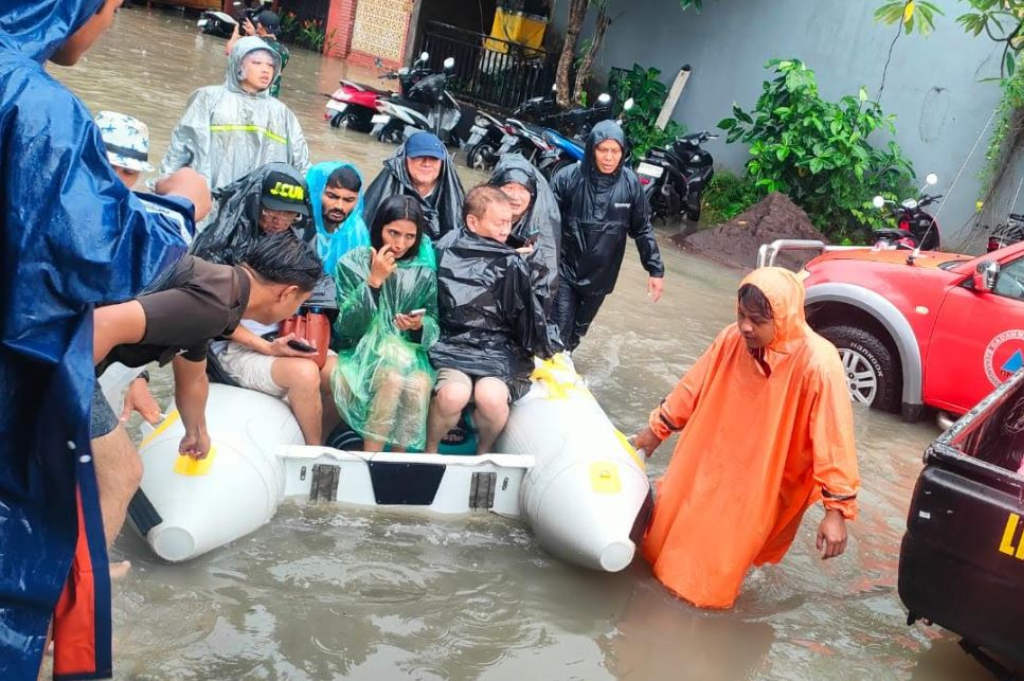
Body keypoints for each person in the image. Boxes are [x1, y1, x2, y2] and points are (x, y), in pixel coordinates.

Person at [0, 1, 211, 677]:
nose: (109, 23)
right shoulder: (36, 106)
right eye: (113, 6)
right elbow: (99, 255)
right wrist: (180, 209)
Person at [632, 267, 860, 610]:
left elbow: (834, 435)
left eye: (757, 320)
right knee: (661, 539)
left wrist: (837, 511)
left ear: (783, 319)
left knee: (708, 580)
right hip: (707, 456)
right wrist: (656, 429)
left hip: (760, 481)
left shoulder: (818, 362)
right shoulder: (731, 339)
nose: (746, 327)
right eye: (741, 316)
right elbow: (692, 387)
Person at [91, 234, 322, 562]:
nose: (295, 311)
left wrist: (196, 432)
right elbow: (102, 323)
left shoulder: (222, 295)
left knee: (98, 470)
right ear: (287, 292)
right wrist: (70, 395)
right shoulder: (213, 303)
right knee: (123, 473)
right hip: (67, 367)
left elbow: (193, 378)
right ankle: (86, 577)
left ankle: (80, 566)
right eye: (299, 303)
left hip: (76, 364)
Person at [193, 165, 337, 447]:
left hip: (283, 333)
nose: (279, 220)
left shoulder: (295, 239)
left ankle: (319, 433)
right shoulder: (220, 244)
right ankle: (313, 452)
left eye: (289, 213)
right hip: (234, 345)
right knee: (305, 374)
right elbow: (209, 316)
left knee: (341, 376)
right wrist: (268, 348)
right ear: (255, 200)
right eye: (271, 210)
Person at [426, 186, 558, 455]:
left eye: (509, 222)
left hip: (496, 348)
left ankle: (484, 452)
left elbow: (525, 316)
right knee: (453, 395)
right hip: (451, 344)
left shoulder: (512, 260)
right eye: (499, 223)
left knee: (493, 398)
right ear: (472, 221)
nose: (505, 230)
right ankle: (430, 449)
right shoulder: (444, 249)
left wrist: (544, 346)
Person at [332, 196, 438, 451]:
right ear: (379, 227)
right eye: (393, 233)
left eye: (410, 236)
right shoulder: (353, 263)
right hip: (361, 351)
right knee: (391, 378)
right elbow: (346, 327)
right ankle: (373, 457)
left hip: (407, 353)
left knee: (420, 383)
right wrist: (374, 282)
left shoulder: (423, 272)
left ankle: (399, 458)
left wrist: (418, 326)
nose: (400, 244)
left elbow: (434, 321)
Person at [550, 120, 665, 352]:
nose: (609, 157)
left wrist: (655, 270)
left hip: (602, 276)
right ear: (592, 149)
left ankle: (564, 367)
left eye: (615, 151)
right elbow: (546, 220)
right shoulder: (568, 178)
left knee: (577, 332)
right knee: (558, 330)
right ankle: (547, 372)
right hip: (565, 270)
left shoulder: (631, 184)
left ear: (623, 153)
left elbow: (642, 228)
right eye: (603, 149)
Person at [162, 36, 310, 204]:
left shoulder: (283, 114)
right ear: (239, 65)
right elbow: (182, 148)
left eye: (270, 65)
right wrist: (166, 187)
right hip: (209, 201)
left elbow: (301, 165)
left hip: (259, 208)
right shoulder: (208, 98)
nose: (265, 70)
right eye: (257, 63)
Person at [487, 153, 561, 311]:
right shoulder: (479, 219)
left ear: (532, 195)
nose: (515, 197)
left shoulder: (540, 233)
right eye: (509, 187)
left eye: (523, 189)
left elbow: (544, 288)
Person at [362, 131, 465, 242]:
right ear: (404, 159)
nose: (426, 163)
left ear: (443, 163)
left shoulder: (454, 199)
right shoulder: (384, 191)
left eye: (434, 158)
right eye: (419, 156)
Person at [307, 162, 370, 278]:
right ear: (316, 193)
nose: (339, 206)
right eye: (332, 196)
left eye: (349, 200)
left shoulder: (356, 231)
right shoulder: (299, 226)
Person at [225, 9, 289, 98]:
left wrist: (235, 35)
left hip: (252, 96)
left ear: (259, 25)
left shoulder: (251, 43)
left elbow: (229, 51)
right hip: (271, 98)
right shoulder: (284, 50)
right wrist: (254, 34)